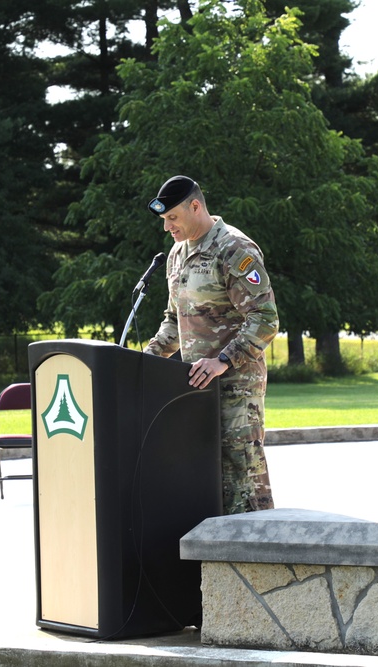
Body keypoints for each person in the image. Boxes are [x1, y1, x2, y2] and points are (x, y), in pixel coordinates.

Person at [143, 175, 279, 514]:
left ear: (195, 206)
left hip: (235, 386)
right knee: (204, 478)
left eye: (172, 217)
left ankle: (251, 561)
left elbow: (265, 318)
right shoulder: (176, 255)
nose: (167, 227)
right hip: (193, 387)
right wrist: (144, 361)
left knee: (241, 479)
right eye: (164, 220)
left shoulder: (234, 249)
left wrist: (222, 360)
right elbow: (175, 320)